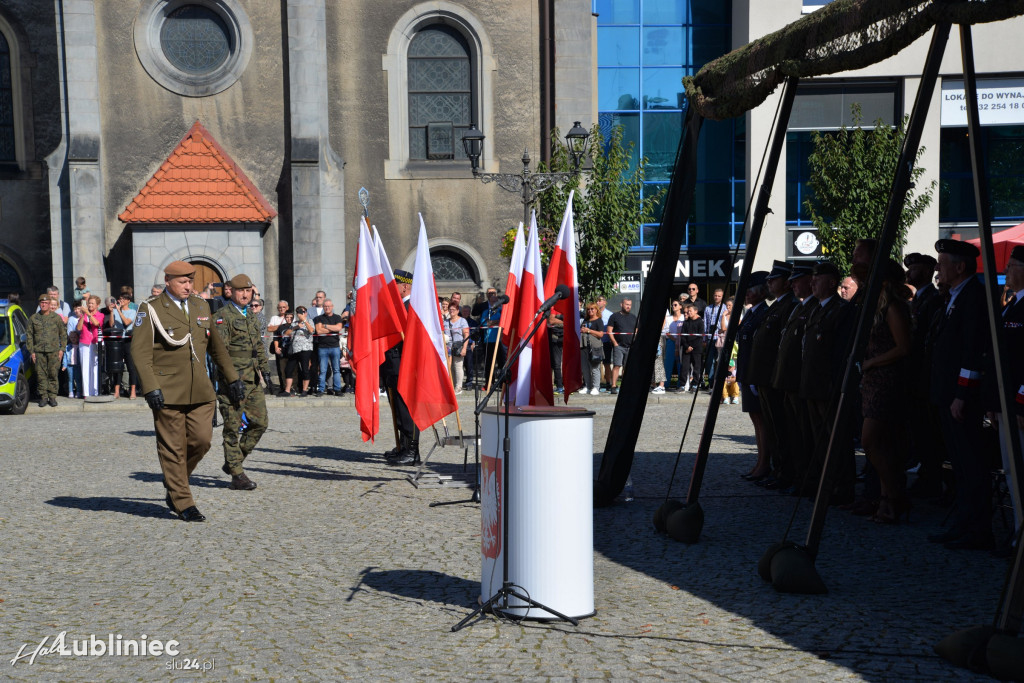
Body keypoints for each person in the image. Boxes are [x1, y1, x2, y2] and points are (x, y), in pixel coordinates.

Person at [131, 261, 243, 522]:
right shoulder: (151, 309)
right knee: (172, 448)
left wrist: (232, 378)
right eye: (182, 281)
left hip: (201, 390)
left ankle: (174, 480)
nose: (188, 286)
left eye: (190, 281)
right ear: (168, 281)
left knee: (202, 441)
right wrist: (150, 387)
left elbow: (216, 347)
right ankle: (183, 501)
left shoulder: (200, 306)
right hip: (167, 390)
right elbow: (140, 352)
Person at [927, 239, 995, 550]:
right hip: (947, 393)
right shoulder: (955, 296)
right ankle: (964, 523)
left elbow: (972, 351)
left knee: (971, 463)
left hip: (961, 398)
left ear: (960, 267)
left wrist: (962, 394)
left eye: (942, 264)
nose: (938, 270)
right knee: (958, 462)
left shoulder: (974, 298)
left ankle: (977, 528)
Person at [859, 259, 913, 523]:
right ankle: (887, 501)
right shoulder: (878, 307)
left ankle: (894, 495)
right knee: (880, 445)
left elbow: (903, 347)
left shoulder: (893, 307)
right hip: (873, 380)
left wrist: (872, 362)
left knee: (869, 441)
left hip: (887, 380)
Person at [213, 274, 270, 490]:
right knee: (232, 426)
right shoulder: (222, 316)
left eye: (248, 291)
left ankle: (233, 461)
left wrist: (266, 372)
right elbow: (220, 353)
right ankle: (237, 475)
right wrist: (231, 379)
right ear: (231, 292)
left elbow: (258, 348)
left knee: (260, 423)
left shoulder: (252, 316)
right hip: (233, 381)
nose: (245, 294)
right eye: (241, 291)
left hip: (253, 379)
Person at [750, 261, 798, 489]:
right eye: (768, 280)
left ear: (787, 283)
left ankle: (786, 471)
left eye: (773, 279)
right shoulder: (778, 306)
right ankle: (779, 470)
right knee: (772, 426)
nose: (769, 283)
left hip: (774, 377)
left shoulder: (789, 306)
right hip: (765, 377)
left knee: (782, 427)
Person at [736, 273, 772, 480]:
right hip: (747, 373)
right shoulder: (751, 313)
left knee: (762, 420)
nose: (747, 294)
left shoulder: (764, 313)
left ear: (761, 291)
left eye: (750, 289)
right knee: (755, 419)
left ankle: (765, 462)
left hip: (756, 374)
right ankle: (760, 461)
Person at [382, 269, 419, 464]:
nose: (391, 289)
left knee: (407, 408)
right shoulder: (400, 306)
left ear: (405, 286)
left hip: (404, 362)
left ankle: (413, 450)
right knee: (397, 406)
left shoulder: (412, 306)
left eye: (394, 286)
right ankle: (403, 446)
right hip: (393, 363)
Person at [26, 293, 67, 407]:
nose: (44, 305)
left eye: (46, 303)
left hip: (54, 351)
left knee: (53, 374)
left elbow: (63, 334)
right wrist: (32, 352)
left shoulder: (56, 318)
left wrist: (62, 349)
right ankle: (43, 396)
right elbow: (29, 335)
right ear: (39, 304)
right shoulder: (33, 318)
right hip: (39, 352)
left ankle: (52, 396)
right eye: (42, 303)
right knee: (41, 375)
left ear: (50, 304)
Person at [107, 292, 138, 399]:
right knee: (118, 366)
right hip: (117, 340)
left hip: (128, 340)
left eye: (124, 299)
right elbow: (111, 324)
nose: (122, 301)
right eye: (120, 298)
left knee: (131, 366)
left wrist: (119, 311)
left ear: (129, 301)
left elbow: (126, 322)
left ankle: (132, 390)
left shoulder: (132, 311)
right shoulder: (115, 311)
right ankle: (117, 391)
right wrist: (112, 312)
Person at [605, 298, 637, 395]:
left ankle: (626, 386)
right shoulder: (614, 316)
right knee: (617, 366)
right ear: (621, 304)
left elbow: (636, 330)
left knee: (627, 367)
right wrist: (614, 342)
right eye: (626, 304)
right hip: (619, 345)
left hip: (630, 346)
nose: (628, 306)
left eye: (630, 305)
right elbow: (609, 330)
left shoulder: (633, 317)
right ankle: (613, 386)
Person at [314, 298, 344, 396]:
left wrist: (325, 326)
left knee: (336, 369)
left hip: (334, 347)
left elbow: (339, 328)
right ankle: (321, 389)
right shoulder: (319, 318)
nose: (327, 308)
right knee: (322, 370)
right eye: (325, 306)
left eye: (329, 306)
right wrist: (332, 329)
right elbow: (318, 331)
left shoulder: (337, 317)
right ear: (323, 307)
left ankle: (337, 389)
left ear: (332, 307)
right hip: (322, 347)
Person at [75, 295, 104, 397]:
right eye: (89, 303)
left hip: (95, 342)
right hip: (84, 342)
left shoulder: (100, 315)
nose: (90, 305)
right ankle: (86, 392)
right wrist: (83, 316)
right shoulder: (84, 315)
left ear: (97, 305)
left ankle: (95, 391)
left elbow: (96, 323)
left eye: (92, 303)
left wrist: (88, 314)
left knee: (95, 367)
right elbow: (78, 328)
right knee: (85, 367)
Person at [282, 307, 315, 396]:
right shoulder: (294, 323)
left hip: (305, 348)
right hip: (295, 349)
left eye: (302, 312)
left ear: (306, 313)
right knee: (288, 369)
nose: (300, 313)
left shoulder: (310, 321)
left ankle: (304, 390)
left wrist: (304, 320)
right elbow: (286, 333)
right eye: (298, 312)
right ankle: (287, 390)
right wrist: (295, 327)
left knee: (305, 369)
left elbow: (311, 330)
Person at [678, 303, 705, 392]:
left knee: (696, 367)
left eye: (690, 311)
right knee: (684, 367)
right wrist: (687, 346)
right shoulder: (686, 322)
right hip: (687, 349)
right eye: (687, 311)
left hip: (696, 348)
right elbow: (683, 336)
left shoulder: (700, 322)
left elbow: (700, 336)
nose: (688, 313)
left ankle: (695, 384)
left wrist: (692, 346)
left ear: (696, 311)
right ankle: (682, 385)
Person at [579, 303, 604, 395]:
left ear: (596, 310)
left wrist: (589, 331)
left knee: (594, 367)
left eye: (592, 309)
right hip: (584, 346)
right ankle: (588, 386)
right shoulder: (585, 320)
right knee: (585, 368)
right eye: (588, 309)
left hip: (595, 347)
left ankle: (596, 387)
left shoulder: (599, 321)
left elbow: (601, 334)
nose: (590, 311)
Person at [446, 302, 469, 394]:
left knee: (458, 366)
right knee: (450, 367)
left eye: (453, 310)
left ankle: (458, 387)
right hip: (448, 347)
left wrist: (464, 348)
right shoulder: (446, 322)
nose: (451, 311)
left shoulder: (462, 321)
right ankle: (452, 386)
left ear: (457, 311)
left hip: (458, 346)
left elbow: (466, 334)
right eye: (450, 309)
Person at [268, 300, 290, 390]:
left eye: (283, 307)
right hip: (278, 343)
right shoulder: (274, 318)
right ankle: (282, 386)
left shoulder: (290, 317)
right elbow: (269, 328)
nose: (281, 309)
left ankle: (292, 386)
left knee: (291, 367)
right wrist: (282, 327)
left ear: (287, 308)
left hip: (289, 344)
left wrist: (277, 327)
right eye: (280, 307)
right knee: (280, 367)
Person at [596, 295, 613, 391]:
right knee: (595, 364)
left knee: (606, 363)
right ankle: (596, 383)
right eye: (597, 301)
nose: (598, 302)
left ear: (604, 302)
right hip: (596, 342)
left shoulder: (609, 314)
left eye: (600, 301)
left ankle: (608, 383)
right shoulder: (593, 313)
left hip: (606, 342)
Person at [548, 308, 564, 393]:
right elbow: (551, 320)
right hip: (556, 338)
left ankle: (567, 385)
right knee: (556, 363)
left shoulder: (569, 307)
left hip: (567, 338)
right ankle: (559, 386)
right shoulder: (554, 308)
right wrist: (565, 323)